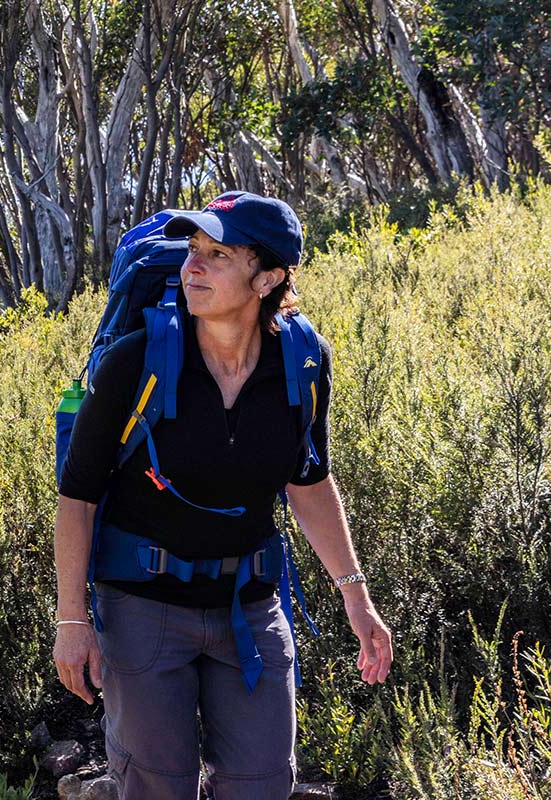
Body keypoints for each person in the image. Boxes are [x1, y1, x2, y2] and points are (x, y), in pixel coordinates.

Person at [49, 192, 395, 798]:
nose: (193, 268)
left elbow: (308, 480)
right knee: (158, 787)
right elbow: (77, 496)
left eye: (217, 254)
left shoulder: (303, 362)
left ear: (268, 278)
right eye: (191, 251)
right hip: (141, 608)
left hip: (251, 609)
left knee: (262, 783)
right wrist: (72, 621)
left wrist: (356, 600)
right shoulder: (138, 361)